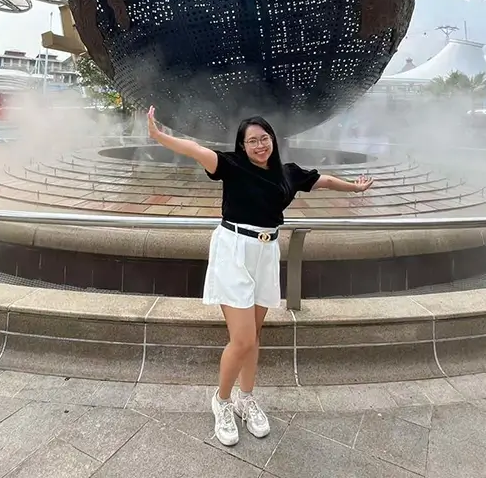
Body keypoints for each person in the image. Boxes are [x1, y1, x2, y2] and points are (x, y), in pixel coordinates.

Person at [146, 106, 373, 447]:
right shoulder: (232, 166)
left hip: (266, 252)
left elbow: (322, 180)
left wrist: (354, 190)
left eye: (263, 138)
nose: (259, 145)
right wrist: (160, 136)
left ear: (272, 140)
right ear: (242, 146)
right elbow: (195, 150)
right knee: (243, 339)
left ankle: (245, 397)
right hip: (234, 250)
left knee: (254, 335)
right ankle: (221, 401)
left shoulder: (288, 173)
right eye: (251, 141)